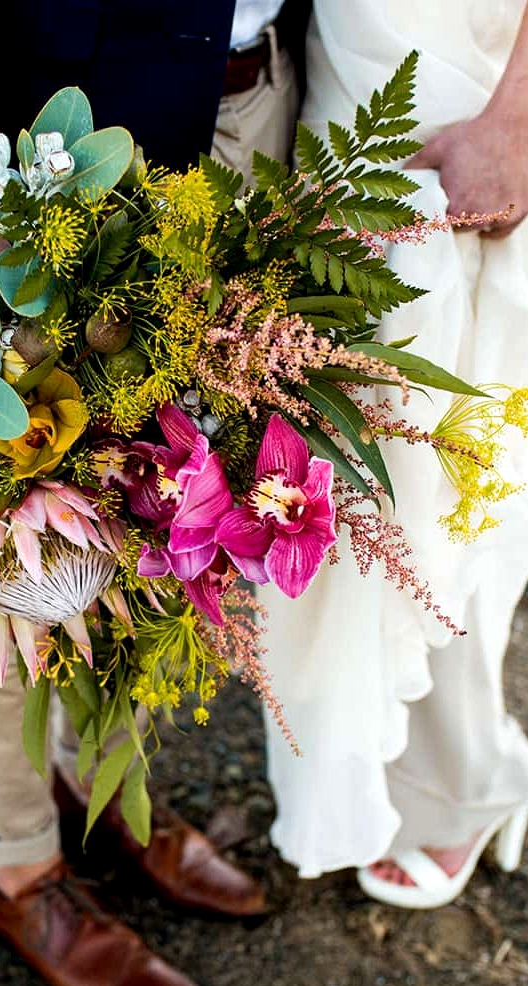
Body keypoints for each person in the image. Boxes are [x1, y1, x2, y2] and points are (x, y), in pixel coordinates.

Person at [0, 1, 309, 986]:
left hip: (255, 101)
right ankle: (12, 858)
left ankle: (102, 783)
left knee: (163, 502)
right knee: (6, 522)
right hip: (30, 126)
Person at [260, 0, 528, 909]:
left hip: (477, 79)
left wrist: (515, 119)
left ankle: (463, 782)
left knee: (457, 458)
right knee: (337, 465)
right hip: (346, 70)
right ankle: (364, 765)